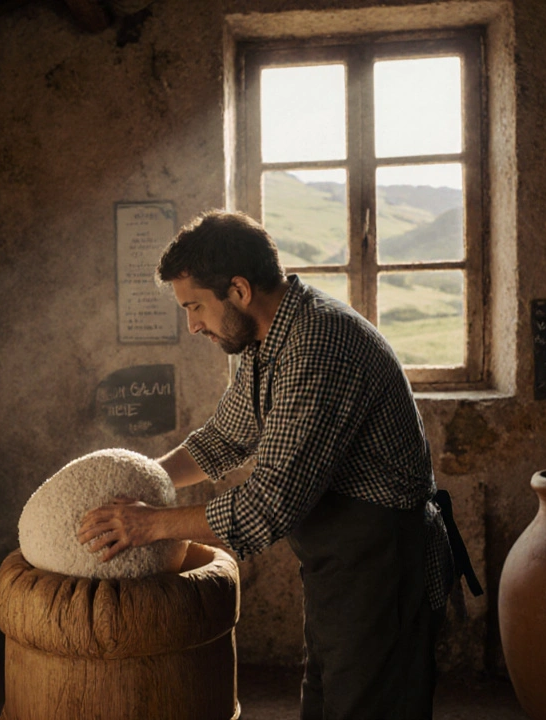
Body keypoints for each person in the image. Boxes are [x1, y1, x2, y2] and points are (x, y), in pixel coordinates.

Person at [78, 210, 477, 720]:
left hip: (385, 568)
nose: (193, 325)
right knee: (326, 702)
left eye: (195, 306)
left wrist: (148, 525)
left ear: (239, 290)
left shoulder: (319, 344)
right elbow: (225, 437)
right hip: (342, 567)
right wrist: (142, 480)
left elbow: (267, 506)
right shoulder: (267, 340)